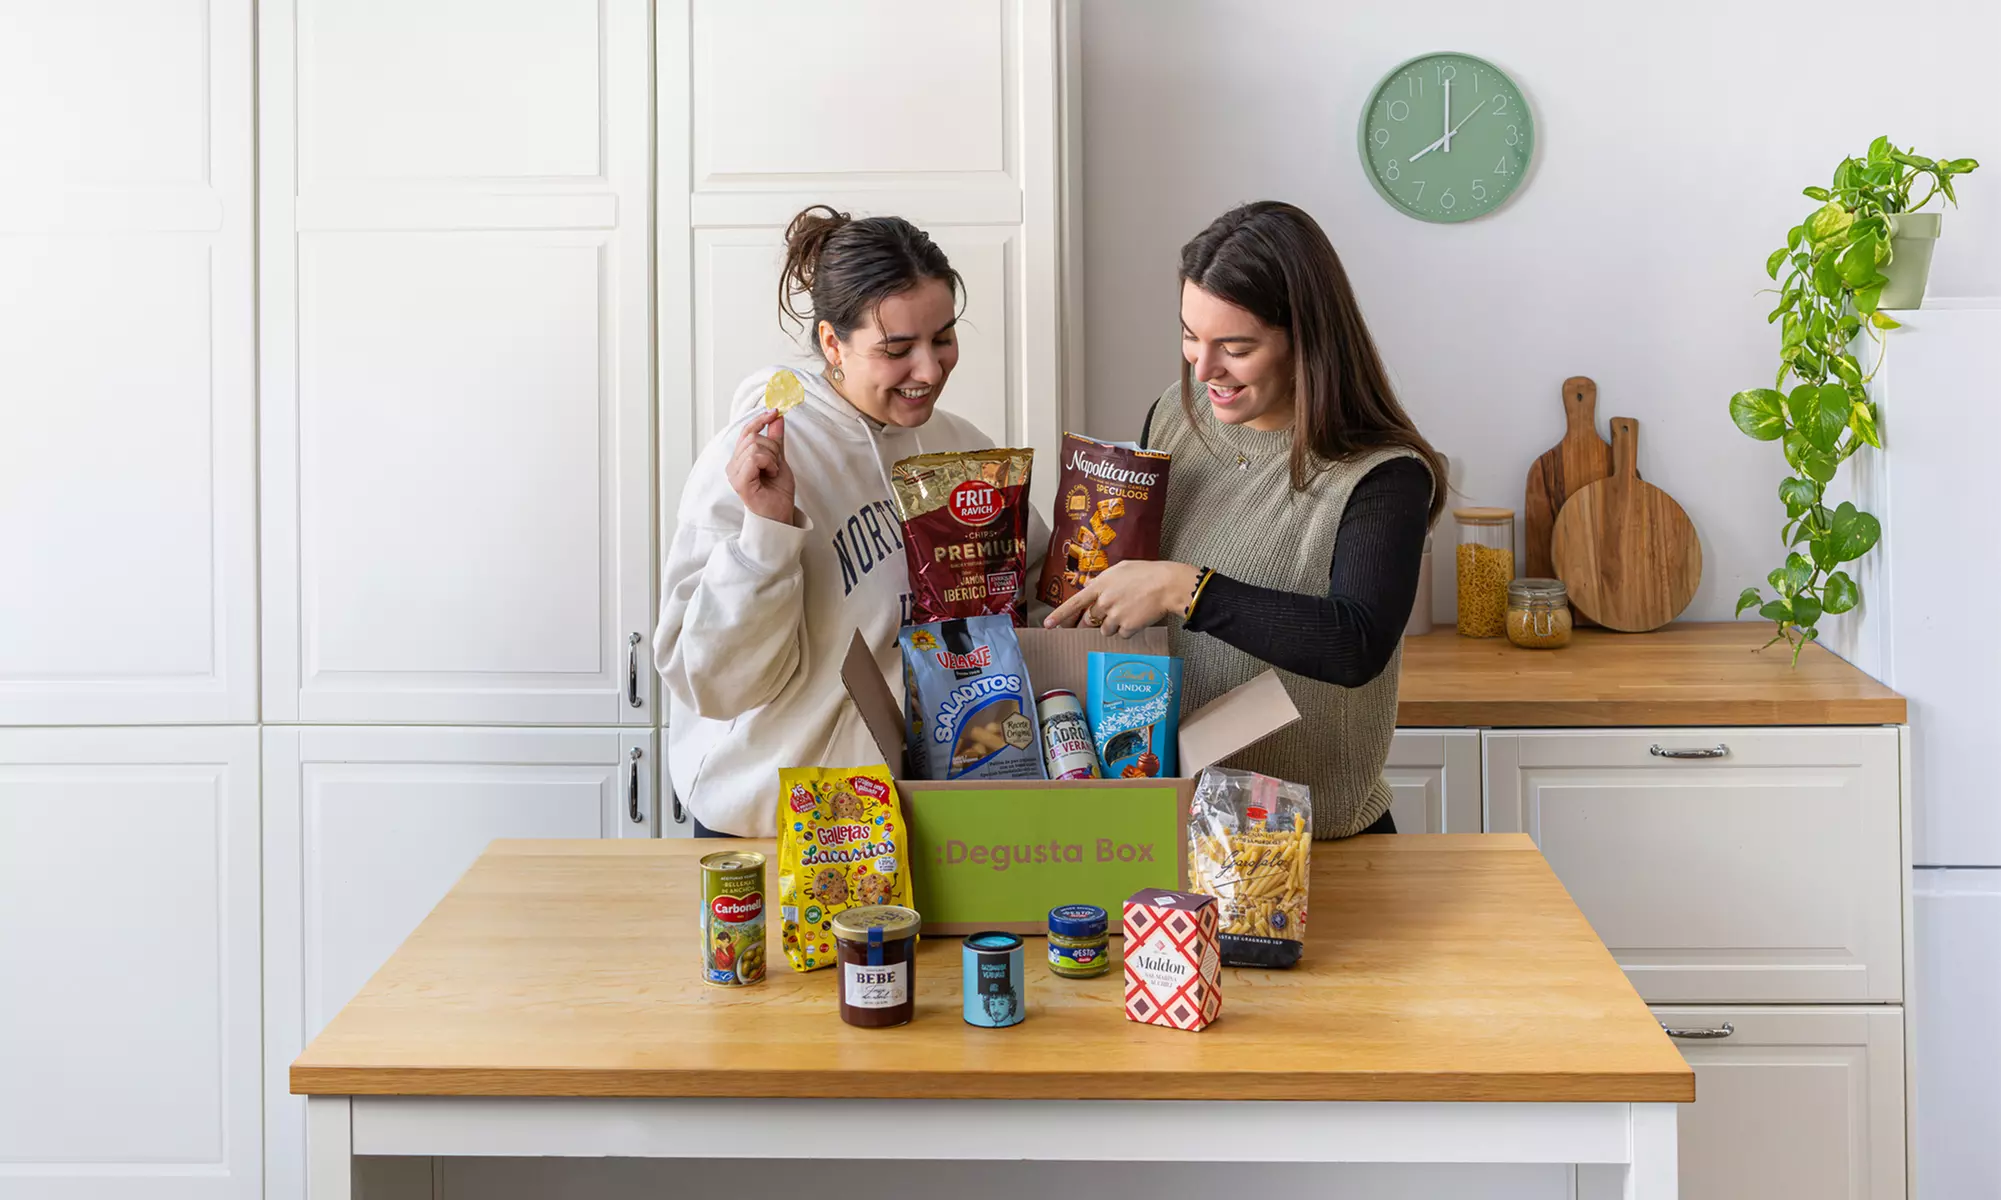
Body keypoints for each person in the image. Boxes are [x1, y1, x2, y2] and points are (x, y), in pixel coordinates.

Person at [1048, 201, 1444, 839]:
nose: (1202, 370)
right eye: (1189, 336)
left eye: (1235, 348)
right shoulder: (1174, 417)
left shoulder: (1379, 475)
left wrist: (1185, 588)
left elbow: (1354, 643)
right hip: (1165, 818)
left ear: (1305, 340)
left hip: (1308, 841)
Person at [657, 205, 1044, 836]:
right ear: (833, 343)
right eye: (897, 349)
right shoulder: (758, 461)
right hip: (776, 825)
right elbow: (713, 684)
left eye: (943, 338)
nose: (929, 370)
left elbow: (1029, 598)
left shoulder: (960, 448)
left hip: (921, 820)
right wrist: (767, 531)